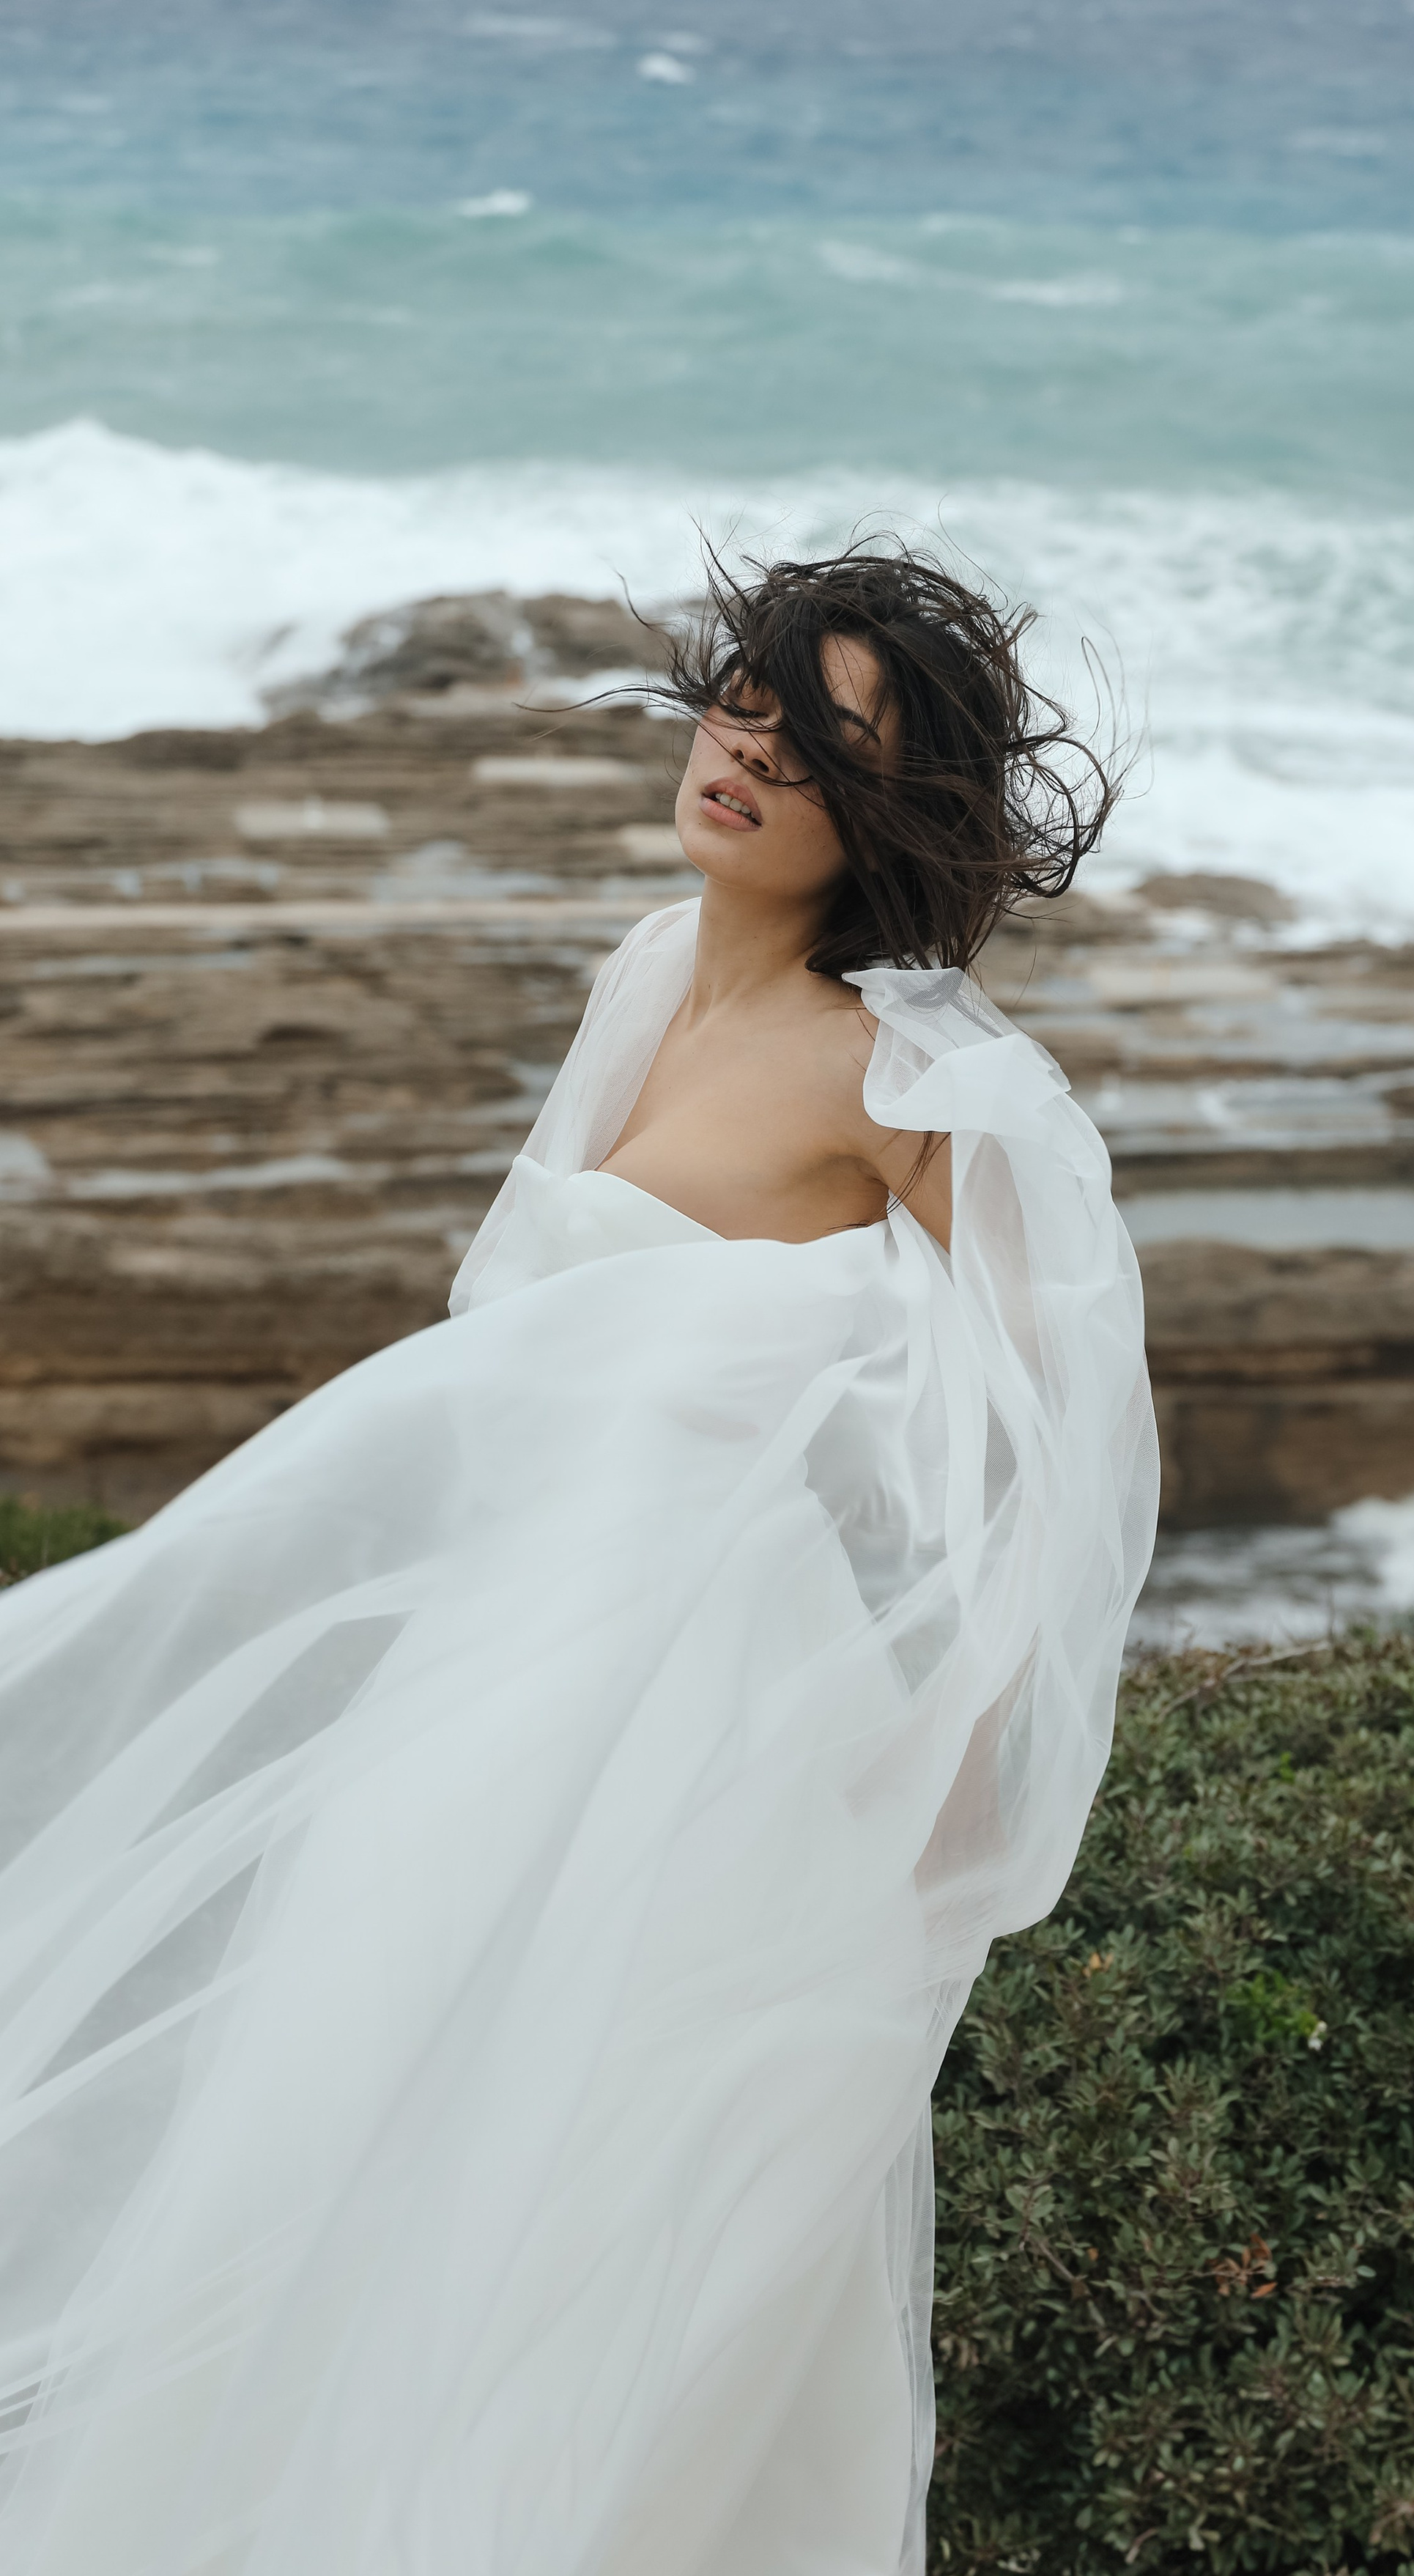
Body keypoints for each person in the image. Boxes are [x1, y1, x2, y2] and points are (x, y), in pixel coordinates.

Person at [0, 543, 1158, 2575]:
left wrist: (946, 1817)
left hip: (710, 1758)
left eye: (823, 742)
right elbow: (506, 1370)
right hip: (476, 1715)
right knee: (343, 2215)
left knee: (582, 2284)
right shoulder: (643, 967)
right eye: (748, 697)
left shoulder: (920, 1075)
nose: (749, 749)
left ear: (889, 810)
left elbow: (1054, 1472)